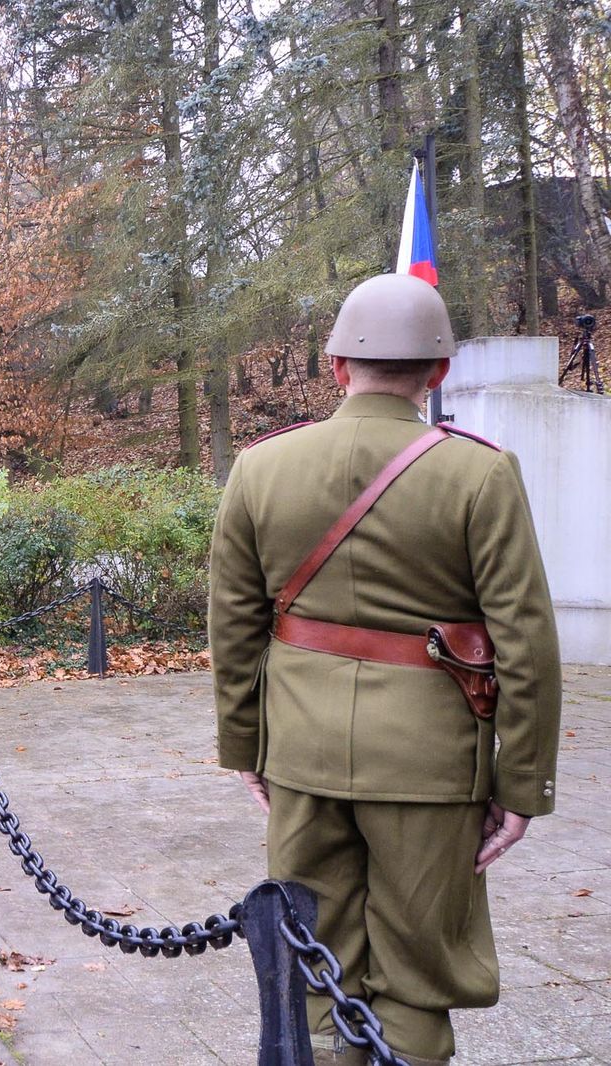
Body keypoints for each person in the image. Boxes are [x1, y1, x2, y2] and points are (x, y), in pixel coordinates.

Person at [209, 274, 561, 1066]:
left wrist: (245, 747)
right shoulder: (479, 474)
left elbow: (233, 627)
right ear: (437, 372)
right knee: (416, 974)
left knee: (316, 963)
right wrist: (522, 783)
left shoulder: (262, 468)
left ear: (336, 366)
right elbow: (526, 643)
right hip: (432, 764)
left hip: (301, 749)